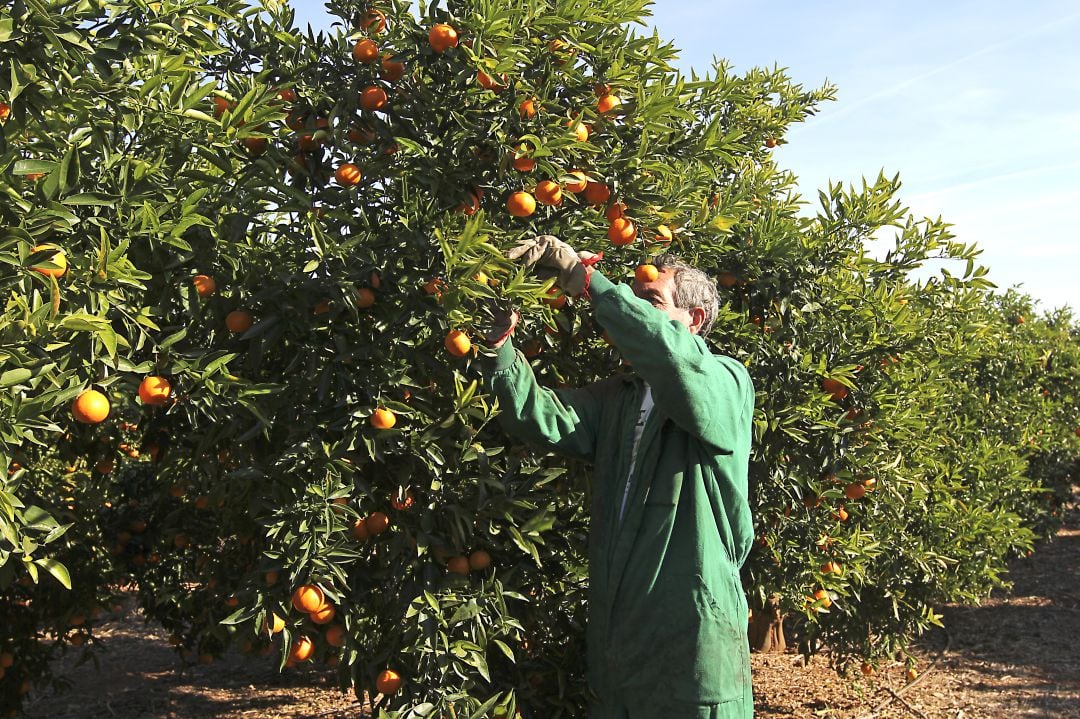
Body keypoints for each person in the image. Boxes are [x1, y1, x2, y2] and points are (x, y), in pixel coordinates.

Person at [483, 236, 756, 719]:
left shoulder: (725, 381)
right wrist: (500, 345)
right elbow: (539, 416)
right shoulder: (620, 396)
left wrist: (590, 283)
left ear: (693, 319)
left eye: (649, 301)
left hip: (690, 639)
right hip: (621, 642)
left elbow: (674, 359)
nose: (631, 310)